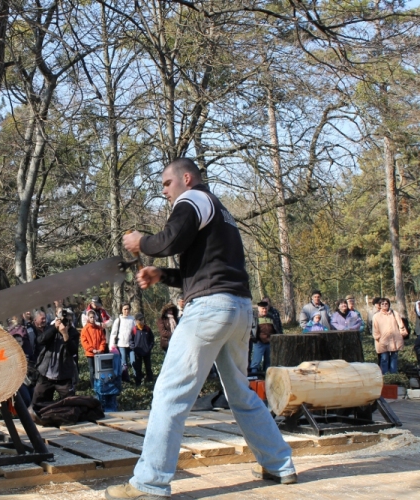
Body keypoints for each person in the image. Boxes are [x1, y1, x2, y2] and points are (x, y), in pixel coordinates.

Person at [113, 158, 295, 499]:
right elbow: (203, 271)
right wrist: (162, 275)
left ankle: (150, 484)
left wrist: (143, 242)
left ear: (186, 178)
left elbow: (169, 241)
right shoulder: (221, 212)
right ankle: (280, 463)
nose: (164, 191)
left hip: (210, 310)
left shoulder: (193, 198)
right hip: (238, 308)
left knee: (170, 393)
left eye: (167, 184)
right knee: (241, 394)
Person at [30, 309, 78, 414]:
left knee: (71, 406)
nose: (67, 323)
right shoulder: (51, 329)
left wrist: (65, 334)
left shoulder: (73, 333)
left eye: (69, 321)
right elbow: (40, 340)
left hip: (63, 376)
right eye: (64, 321)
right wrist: (54, 328)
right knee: (37, 404)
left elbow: (73, 351)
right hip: (46, 374)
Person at [372, 298, 408, 374]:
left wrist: (402, 333)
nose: (384, 305)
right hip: (383, 340)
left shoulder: (395, 314)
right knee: (384, 358)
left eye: (386, 304)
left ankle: (393, 375)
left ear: (389, 304)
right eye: (382, 304)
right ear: (380, 305)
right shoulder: (376, 316)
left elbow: (401, 324)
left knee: (394, 357)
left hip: (395, 339)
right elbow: (375, 328)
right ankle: (385, 375)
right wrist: (377, 337)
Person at [109, 304, 135, 379]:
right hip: (121, 344)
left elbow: (135, 331)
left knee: (133, 362)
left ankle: (136, 378)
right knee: (124, 363)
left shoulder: (132, 319)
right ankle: (125, 378)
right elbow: (113, 333)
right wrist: (112, 345)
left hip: (131, 345)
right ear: (121, 310)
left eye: (128, 309)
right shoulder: (118, 320)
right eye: (125, 309)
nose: (127, 311)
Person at [250, 303, 276, 377]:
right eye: (262, 308)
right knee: (256, 361)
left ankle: (267, 377)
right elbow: (251, 329)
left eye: (266, 308)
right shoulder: (255, 318)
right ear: (259, 309)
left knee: (268, 362)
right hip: (259, 343)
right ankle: (254, 377)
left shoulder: (271, 317)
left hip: (270, 342)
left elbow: (276, 328)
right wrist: (253, 338)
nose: (264, 310)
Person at [81, 310, 107, 382]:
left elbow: (103, 340)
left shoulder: (99, 328)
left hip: (99, 353)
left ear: (95, 318)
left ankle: (100, 384)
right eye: (91, 317)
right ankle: (93, 386)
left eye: (93, 317)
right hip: (90, 353)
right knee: (92, 370)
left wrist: (101, 349)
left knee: (99, 370)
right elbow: (84, 342)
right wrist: (92, 349)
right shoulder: (85, 329)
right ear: (88, 318)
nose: (92, 319)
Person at [129, 313, 154, 385]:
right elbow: (131, 340)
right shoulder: (134, 330)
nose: (141, 321)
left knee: (148, 367)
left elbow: (152, 339)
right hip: (138, 352)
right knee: (138, 368)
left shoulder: (147, 329)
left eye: (142, 319)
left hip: (147, 352)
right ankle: (138, 382)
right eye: (139, 320)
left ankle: (150, 380)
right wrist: (134, 348)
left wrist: (149, 347)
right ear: (136, 321)